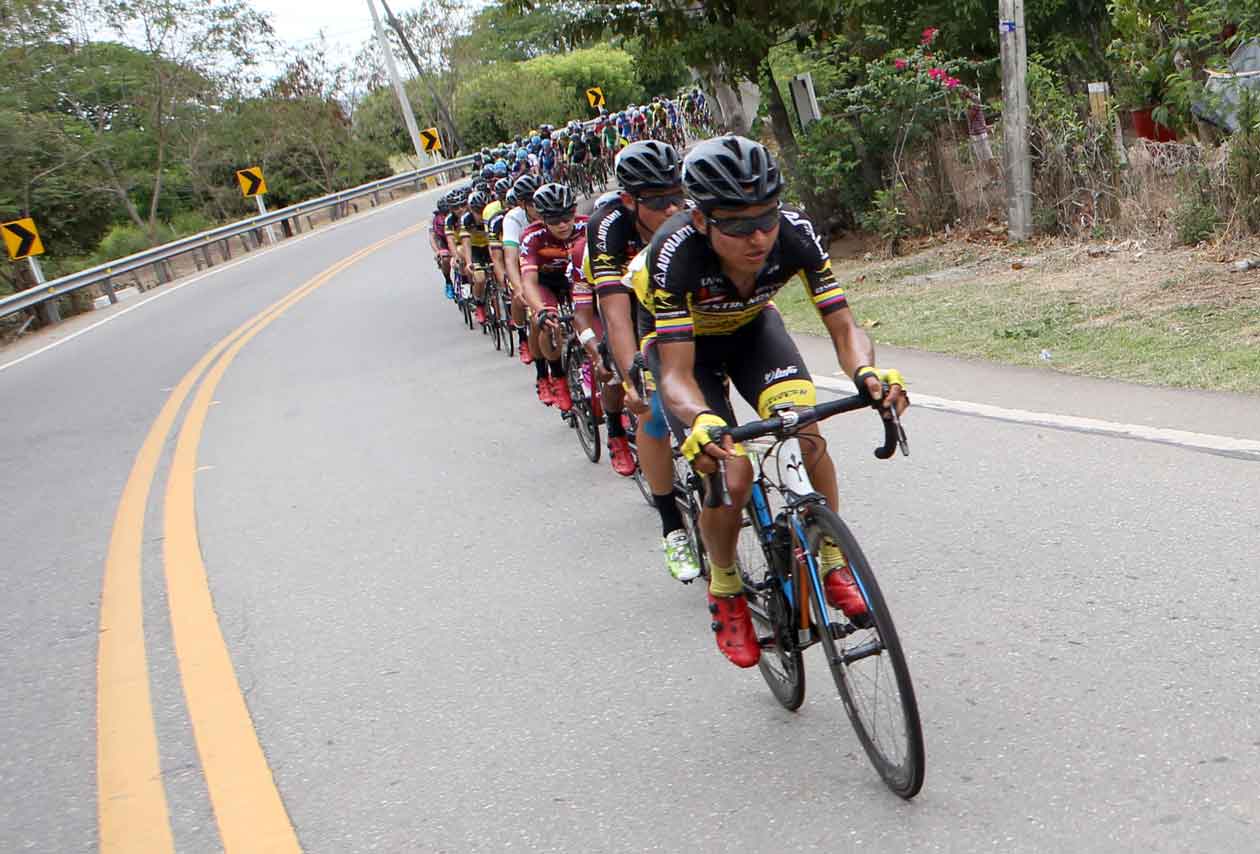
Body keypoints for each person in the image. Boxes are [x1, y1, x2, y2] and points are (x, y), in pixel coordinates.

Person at [648, 135, 907, 668]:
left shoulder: (797, 234)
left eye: (766, 217)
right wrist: (699, 421)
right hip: (688, 351)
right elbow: (674, 375)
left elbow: (844, 325)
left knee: (806, 432)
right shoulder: (674, 254)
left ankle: (832, 559)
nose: (760, 236)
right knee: (734, 475)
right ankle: (725, 587)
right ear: (700, 220)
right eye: (739, 226)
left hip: (753, 334)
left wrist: (867, 370)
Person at [586, 140, 701, 582]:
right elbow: (615, 315)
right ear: (629, 200)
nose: (674, 207)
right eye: (658, 202)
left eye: (679, 194)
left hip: (674, 296)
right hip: (632, 304)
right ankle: (672, 526)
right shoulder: (608, 226)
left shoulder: (687, 213)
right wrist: (632, 375)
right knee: (652, 408)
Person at [520, 183, 589, 413]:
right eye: (554, 219)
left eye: (567, 216)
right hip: (545, 283)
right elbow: (528, 282)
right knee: (549, 325)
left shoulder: (587, 226)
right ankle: (557, 376)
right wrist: (540, 310)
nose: (562, 224)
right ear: (541, 218)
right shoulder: (532, 237)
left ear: (574, 210)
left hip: (576, 280)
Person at [501, 174, 544, 368]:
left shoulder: (549, 208)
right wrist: (518, 288)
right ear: (522, 204)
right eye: (532, 203)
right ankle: (522, 337)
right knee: (519, 296)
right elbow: (510, 258)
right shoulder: (512, 219)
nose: (538, 206)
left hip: (546, 260)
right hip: (522, 262)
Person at [429, 195, 454, 300]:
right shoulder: (434, 220)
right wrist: (437, 251)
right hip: (443, 241)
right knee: (445, 258)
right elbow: (432, 237)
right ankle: (448, 281)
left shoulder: (456, 216)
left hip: (455, 239)